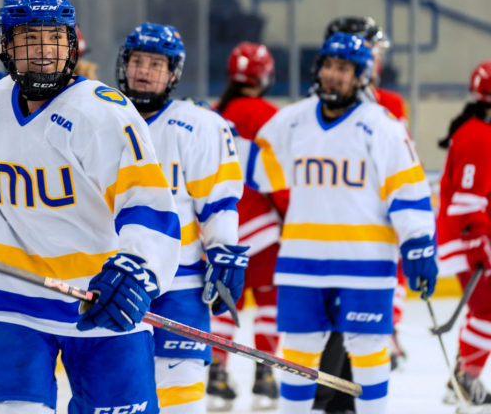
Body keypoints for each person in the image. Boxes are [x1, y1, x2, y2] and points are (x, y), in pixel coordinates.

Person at [0, 0, 181, 414]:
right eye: (29, 38)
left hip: (98, 299)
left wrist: (137, 268)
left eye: (54, 38)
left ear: (72, 43)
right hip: (9, 296)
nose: (43, 51)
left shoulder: (103, 112)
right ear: (6, 46)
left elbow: (147, 202)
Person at [247, 32, 437, 414]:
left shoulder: (382, 126)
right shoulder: (293, 122)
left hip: (364, 265)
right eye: (329, 66)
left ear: (361, 76)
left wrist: (418, 241)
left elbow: (407, 189)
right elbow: (257, 174)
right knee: (297, 358)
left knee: (368, 353)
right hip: (302, 264)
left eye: (344, 69)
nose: (334, 75)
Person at [116, 22, 246, 413]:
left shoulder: (199, 125)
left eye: (156, 64)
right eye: (138, 61)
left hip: (181, 283)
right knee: (118, 396)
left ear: (173, 73)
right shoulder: (99, 116)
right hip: (111, 280)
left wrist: (223, 252)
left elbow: (218, 203)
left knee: (180, 397)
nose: (143, 70)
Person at [207, 42, 288, 410]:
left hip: (223, 227)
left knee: (226, 301)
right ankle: (266, 374)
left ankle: (217, 371)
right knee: (269, 301)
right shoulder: (271, 115)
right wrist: (291, 217)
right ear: (265, 76)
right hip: (264, 230)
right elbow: (279, 179)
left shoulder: (214, 114)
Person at [436, 60, 491, 408]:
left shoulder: (477, 130)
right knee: (487, 311)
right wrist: (481, 243)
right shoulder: (477, 135)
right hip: (470, 240)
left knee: (484, 310)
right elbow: (466, 203)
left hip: (472, 239)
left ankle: (461, 378)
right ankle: (465, 379)